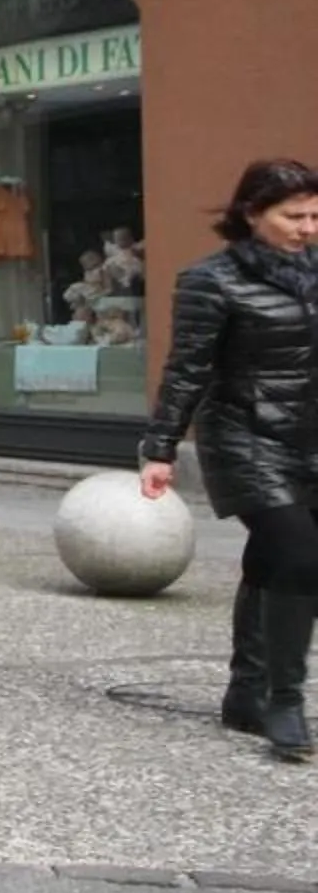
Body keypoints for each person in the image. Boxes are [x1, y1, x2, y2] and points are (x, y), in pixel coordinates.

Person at [143, 158, 318, 762]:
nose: (307, 227)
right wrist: (160, 448)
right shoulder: (210, 280)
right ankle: (285, 701)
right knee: (299, 556)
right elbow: (187, 367)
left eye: (315, 215)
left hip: (312, 438)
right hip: (246, 436)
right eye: (293, 216)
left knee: (273, 556)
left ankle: (245, 692)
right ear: (251, 214)